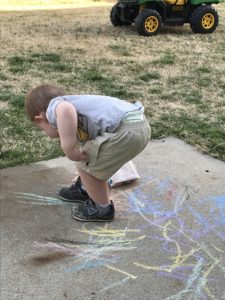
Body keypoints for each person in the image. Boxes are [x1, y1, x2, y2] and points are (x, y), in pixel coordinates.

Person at [25, 84, 151, 222]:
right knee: (90, 156)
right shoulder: (79, 110)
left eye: (42, 128)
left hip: (126, 130)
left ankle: (101, 208)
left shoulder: (55, 107)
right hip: (138, 125)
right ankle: (85, 189)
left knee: (86, 164)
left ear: (40, 118)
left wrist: (69, 148)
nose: (48, 135)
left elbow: (65, 110)